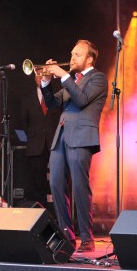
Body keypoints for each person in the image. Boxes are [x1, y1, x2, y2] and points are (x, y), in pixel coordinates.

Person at [41, 39, 108, 253]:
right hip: (61, 137)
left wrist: (63, 75)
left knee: (80, 187)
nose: (71, 58)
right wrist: (46, 82)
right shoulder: (74, 80)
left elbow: (81, 100)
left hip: (81, 137)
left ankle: (87, 237)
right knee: (56, 185)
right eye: (71, 54)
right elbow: (52, 103)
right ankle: (66, 235)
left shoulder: (98, 78)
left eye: (77, 55)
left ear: (89, 58)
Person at [19, 74, 62, 209]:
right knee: (38, 183)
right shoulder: (26, 99)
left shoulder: (57, 96)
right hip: (36, 145)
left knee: (59, 180)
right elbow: (24, 122)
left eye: (43, 75)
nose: (40, 77)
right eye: (38, 75)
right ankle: (42, 216)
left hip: (54, 144)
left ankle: (59, 215)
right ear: (34, 78)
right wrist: (33, 137)